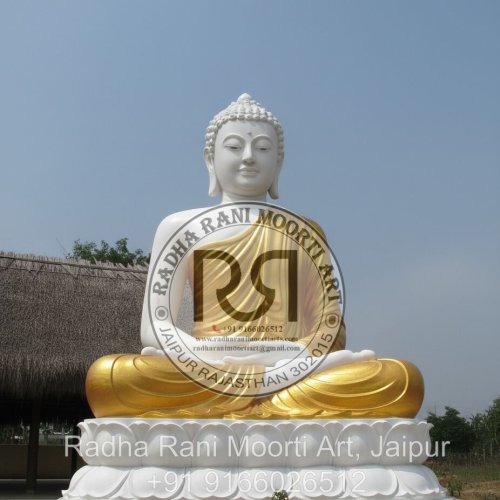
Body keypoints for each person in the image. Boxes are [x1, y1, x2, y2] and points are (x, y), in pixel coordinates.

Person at [86, 94, 424, 418]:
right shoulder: (179, 227)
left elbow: (330, 329)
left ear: (279, 162)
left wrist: (286, 355)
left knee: (399, 379)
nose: (248, 157)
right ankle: (266, 399)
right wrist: (208, 354)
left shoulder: (306, 231)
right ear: (210, 159)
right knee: (111, 376)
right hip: (210, 367)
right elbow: (156, 326)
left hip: (290, 366)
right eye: (234, 147)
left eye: (262, 149)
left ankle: (256, 394)